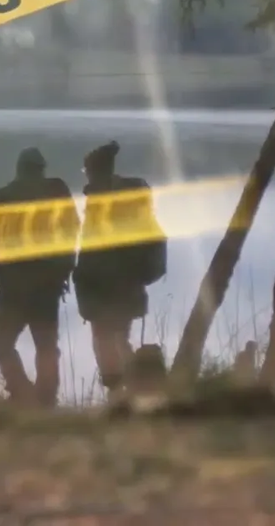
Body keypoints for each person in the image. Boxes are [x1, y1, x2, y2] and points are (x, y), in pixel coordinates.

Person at [72, 140, 169, 401]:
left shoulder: (101, 199)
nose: (86, 175)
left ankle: (118, 395)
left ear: (94, 170)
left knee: (104, 339)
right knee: (119, 338)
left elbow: (93, 250)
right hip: (129, 283)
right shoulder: (129, 195)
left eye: (86, 170)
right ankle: (135, 390)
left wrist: (82, 280)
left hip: (104, 286)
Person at [0, 147, 77, 407]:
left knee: (0, 342)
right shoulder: (57, 191)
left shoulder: (4, 195)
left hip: (14, 288)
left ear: (19, 169)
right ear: (41, 169)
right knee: (46, 346)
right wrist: (65, 268)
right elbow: (72, 230)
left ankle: (21, 392)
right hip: (47, 287)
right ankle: (46, 399)